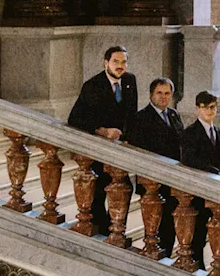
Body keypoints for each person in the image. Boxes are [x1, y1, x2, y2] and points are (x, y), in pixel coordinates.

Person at [67, 45, 138, 235]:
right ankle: (103, 231)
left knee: (125, 188)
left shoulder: (130, 81)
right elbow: (75, 119)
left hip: (120, 150)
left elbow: (131, 115)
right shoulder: (92, 86)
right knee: (98, 193)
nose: (120, 66)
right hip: (98, 150)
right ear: (106, 63)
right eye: (115, 61)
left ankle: (116, 228)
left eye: (123, 62)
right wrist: (102, 131)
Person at [125, 77, 184, 257]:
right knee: (154, 228)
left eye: (167, 93)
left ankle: (165, 258)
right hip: (152, 182)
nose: (164, 97)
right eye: (159, 93)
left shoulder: (174, 115)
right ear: (151, 94)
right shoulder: (141, 118)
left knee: (170, 227)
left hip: (172, 182)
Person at [180, 91, 220, 269]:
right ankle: (198, 268)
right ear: (197, 109)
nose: (209, 111)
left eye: (212, 107)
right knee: (199, 234)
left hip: (216, 190)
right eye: (204, 108)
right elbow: (188, 159)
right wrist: (212, 171)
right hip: (199, 191)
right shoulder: (190, 132)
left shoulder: (216, 130)